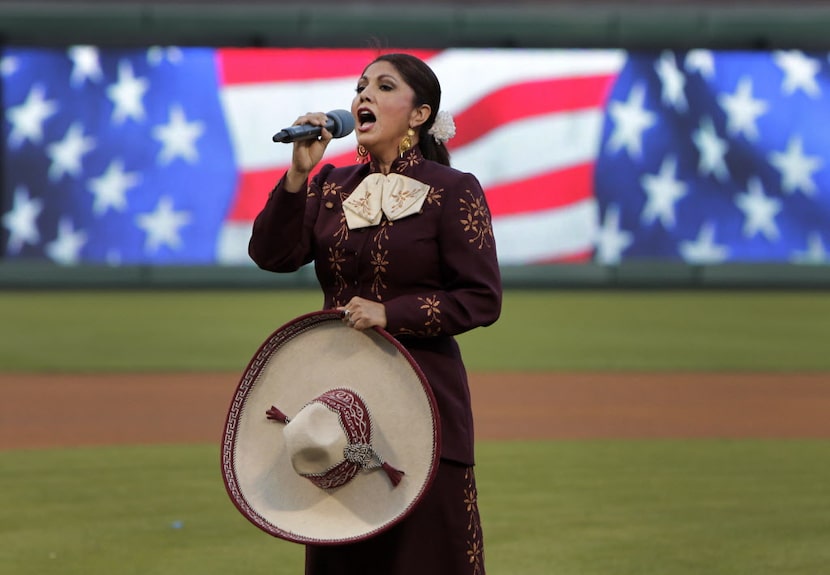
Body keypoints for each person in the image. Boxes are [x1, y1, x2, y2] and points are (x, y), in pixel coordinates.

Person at [248, 52, 502, 575]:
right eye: (361, 86)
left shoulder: (453, 191)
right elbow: (272, 255)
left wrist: (394, 313)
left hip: (424, 396)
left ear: (419, 115)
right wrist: (299, 174)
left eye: (384, 87)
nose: (363, 96)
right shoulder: (330, 186)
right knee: (343, 546)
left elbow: (481, 298)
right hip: (339, 398)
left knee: (429, 555)